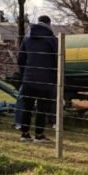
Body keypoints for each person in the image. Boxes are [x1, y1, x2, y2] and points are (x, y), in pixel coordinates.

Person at [17, 15, 58, 143]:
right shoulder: (52, 39)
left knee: (27, 107)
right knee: (42, 108)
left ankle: (24, 134)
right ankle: (39, 135)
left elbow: (20, 59)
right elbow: (58, 58)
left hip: (28, 79)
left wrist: (24, 73)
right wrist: (55, 76)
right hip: (45, 79)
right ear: (49, 23)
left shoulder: (27, 38)